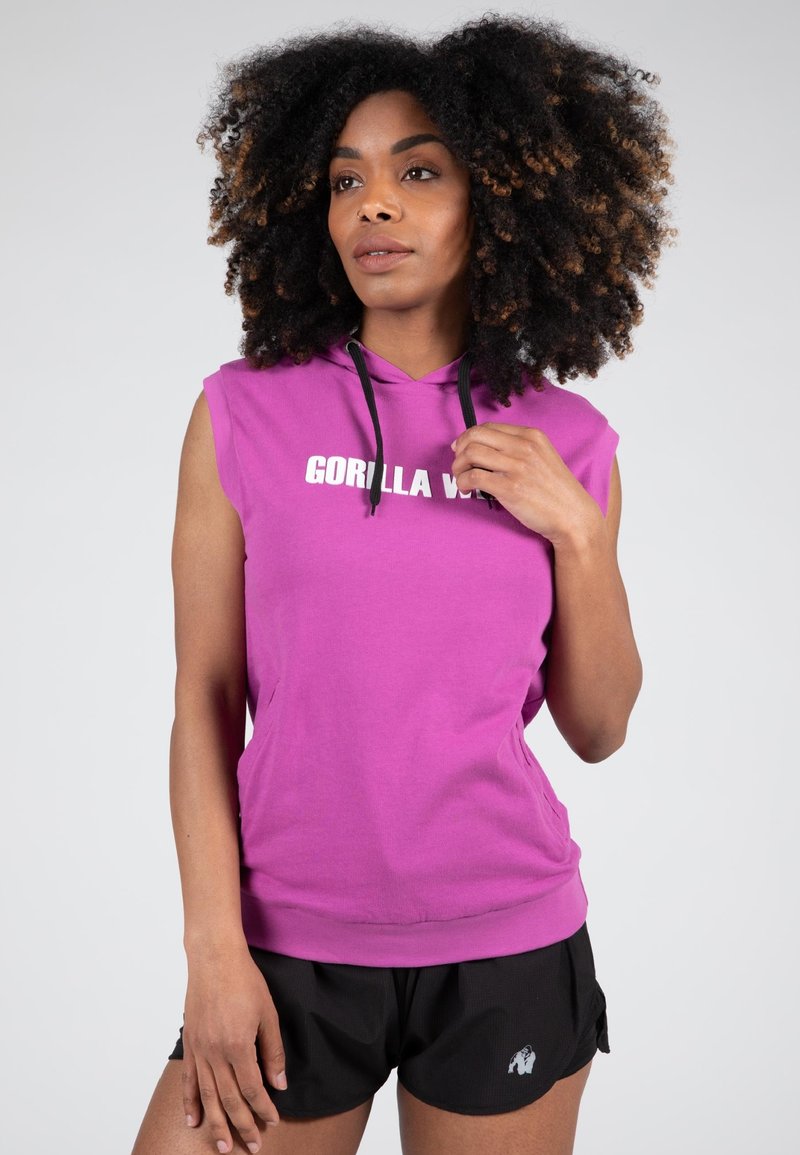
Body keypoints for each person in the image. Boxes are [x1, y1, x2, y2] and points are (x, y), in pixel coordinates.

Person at [131, 12, 674, 1155]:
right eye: (346, 181)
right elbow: (202, 699)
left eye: (417, 172)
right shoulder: (242, 413)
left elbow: (598, 726)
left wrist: (577, 535)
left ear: (500, 201)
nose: (372, 206)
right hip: (284, 945)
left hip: (506, 941)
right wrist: (213, 950)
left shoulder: (568, 442)